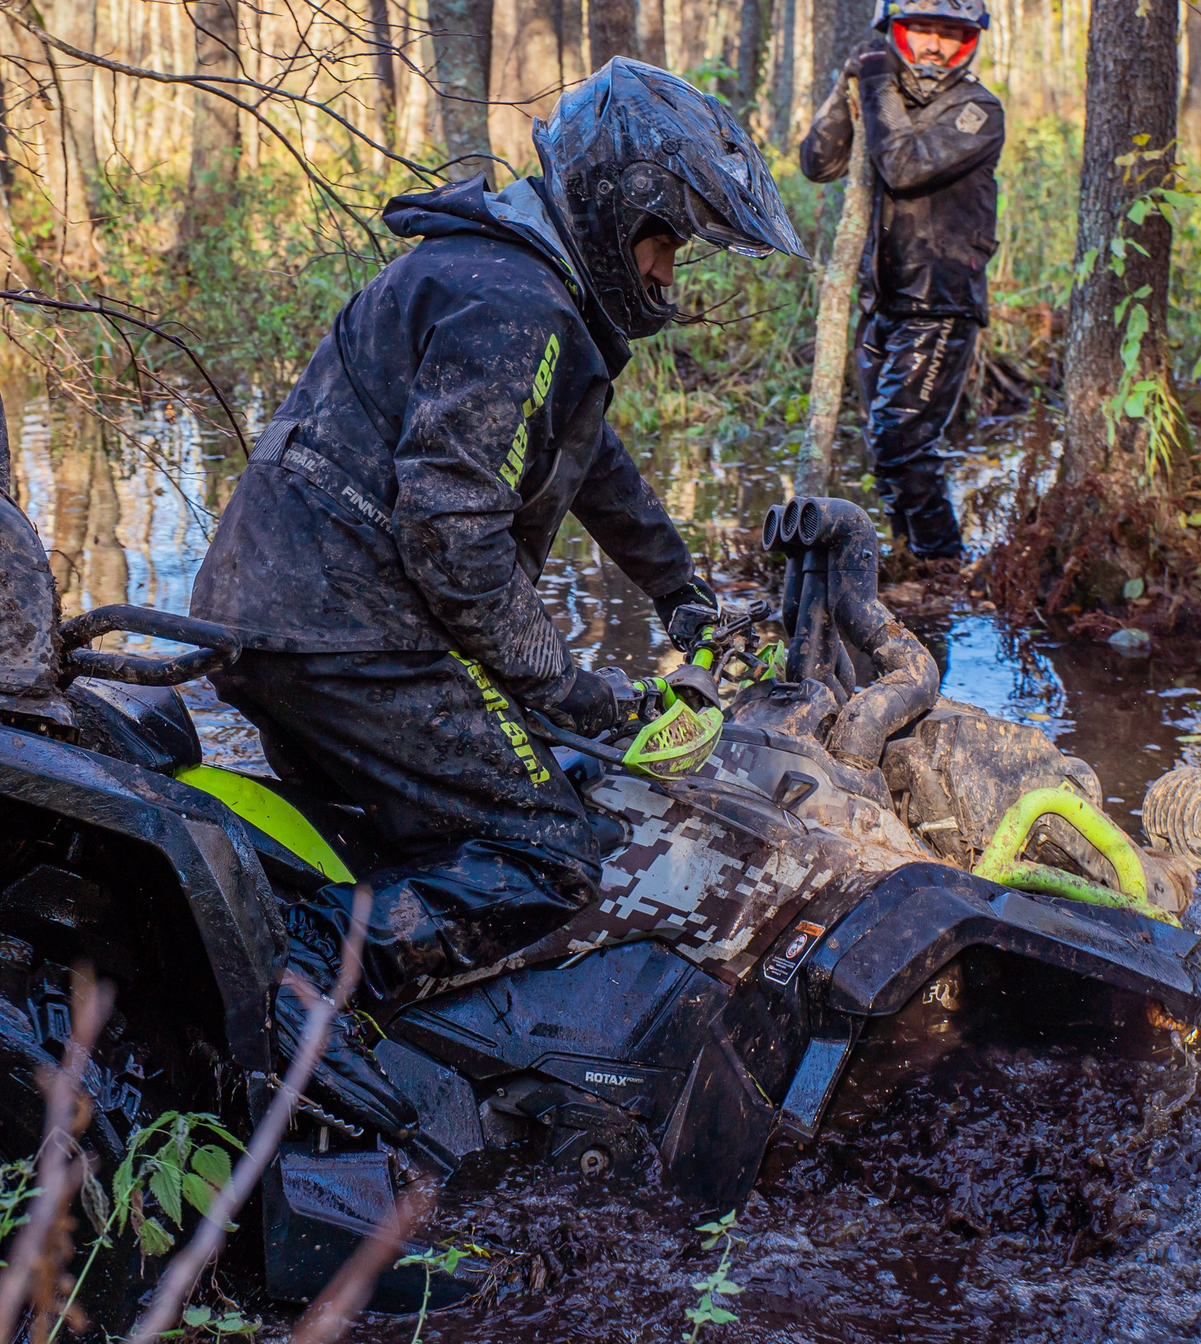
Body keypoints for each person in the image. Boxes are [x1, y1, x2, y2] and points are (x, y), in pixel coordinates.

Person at [188, 59, 802, 1137]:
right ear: (619, 210)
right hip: (348, 631)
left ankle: (396, 1038)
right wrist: (566, 687)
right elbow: (451, 529)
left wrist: (681, 594)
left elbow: (591, 459)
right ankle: (281, 1004)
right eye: (666, 242)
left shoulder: (517, 281)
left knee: (410, 839)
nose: (667, 272)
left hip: (291, 614)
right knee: (546, 850)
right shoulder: (510, 298)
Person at [799, 0, 1004, 562]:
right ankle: (906, 560)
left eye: (951, 35)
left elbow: (906, 166)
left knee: (903, 439)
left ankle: (943, 565)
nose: (935, 47)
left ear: (970, 43)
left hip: (939, 302)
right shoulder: (882, 88)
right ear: (896, 32)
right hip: (880, 299)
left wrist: (878, 85)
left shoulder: (977, 111)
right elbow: (818, 162)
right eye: (921, 32)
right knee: (882, 442)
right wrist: (851, 87)